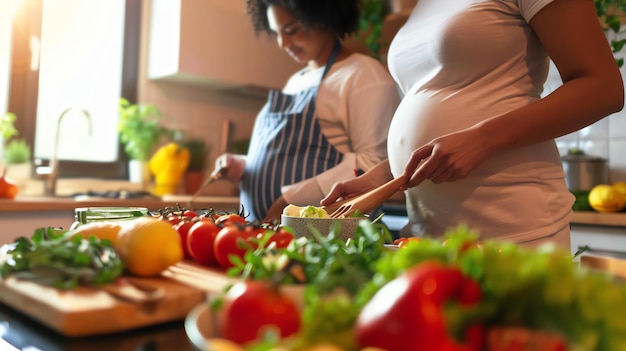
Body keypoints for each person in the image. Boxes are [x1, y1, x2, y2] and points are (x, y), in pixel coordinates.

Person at [321, 0, 624, 250]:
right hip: (427, 235)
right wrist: (385, 176)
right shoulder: (423, 5)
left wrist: (484, 138)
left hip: (510, 229)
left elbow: (603, 88)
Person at [215, 0, 400, 222]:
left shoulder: (364, 76)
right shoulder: (296, 81)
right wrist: (244, 165)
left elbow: (372, 164)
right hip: (265, 233)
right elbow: (289, 154)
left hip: (322, 235)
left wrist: (289, 200)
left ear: (324, 16)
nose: (283, 43)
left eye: (291, 30)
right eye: (277, 33)